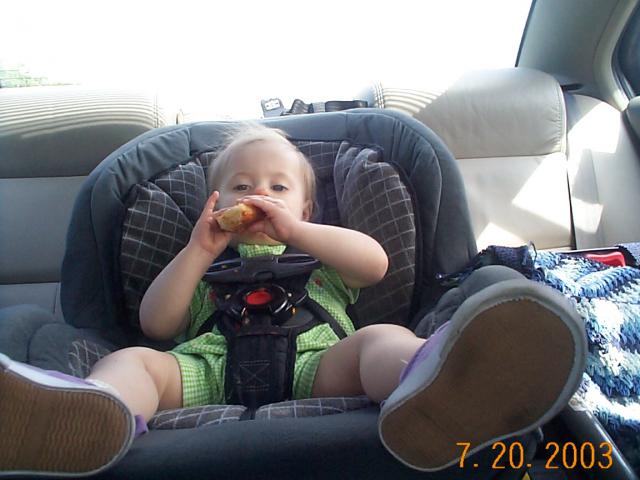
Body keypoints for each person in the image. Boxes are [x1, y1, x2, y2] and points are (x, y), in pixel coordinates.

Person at [0, 125, 586, 477]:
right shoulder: (202, 262)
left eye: (278, 188)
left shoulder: (320, 252)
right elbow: (156, 324)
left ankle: (433, 388)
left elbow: (375, 264)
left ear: (306, 208)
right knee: (134, 362)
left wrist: (301, 234)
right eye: (241, 186)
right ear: (215, 203)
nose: (259, 195)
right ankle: (95, 413)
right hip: (209, 369)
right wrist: (199, 251)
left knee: (379, 341)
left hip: (319, 365)